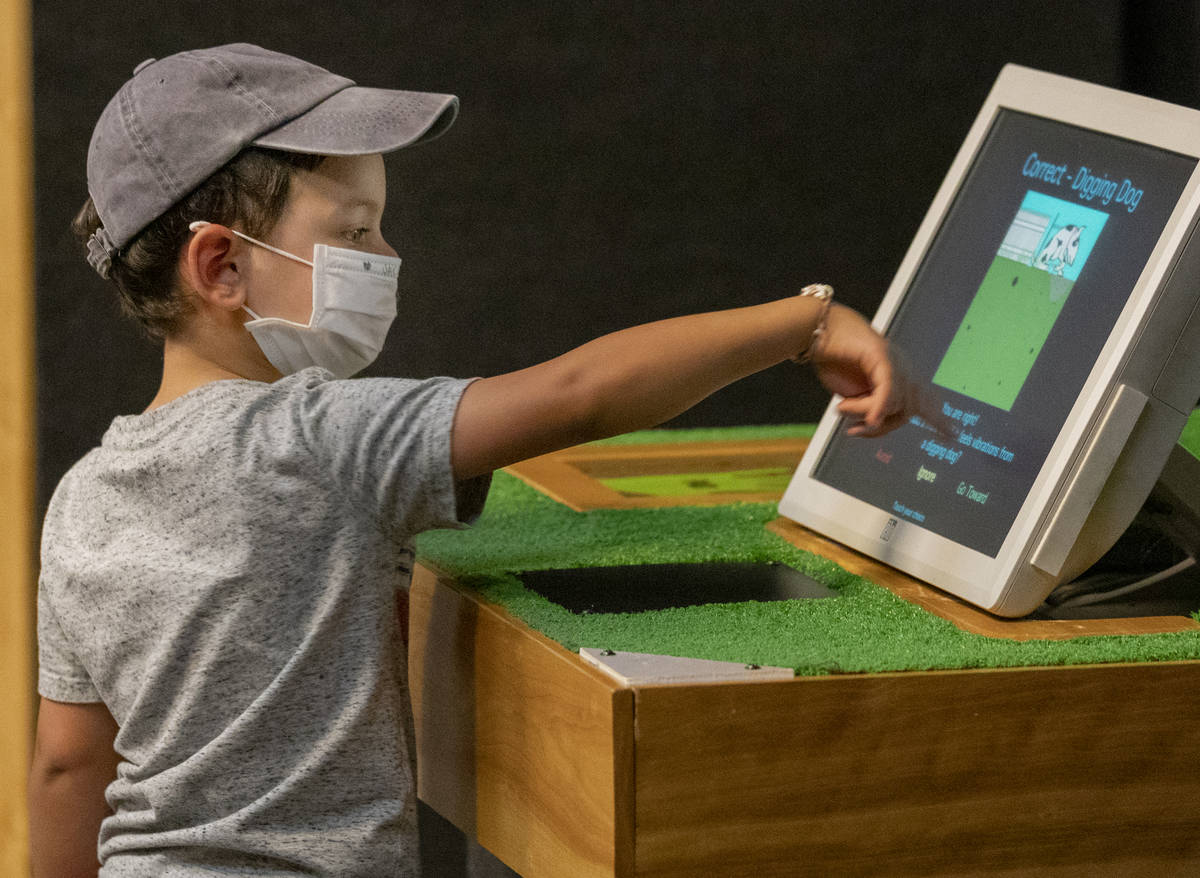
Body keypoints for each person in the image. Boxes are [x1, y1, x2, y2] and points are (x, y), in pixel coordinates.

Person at [28, 43, 933, 877]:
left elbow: (68, 765)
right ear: (222, 266)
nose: (388, 255)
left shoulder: (79, 500)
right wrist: (804, 323)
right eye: (355, 232)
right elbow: (579, 392)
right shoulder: (319, 436)